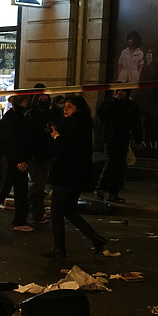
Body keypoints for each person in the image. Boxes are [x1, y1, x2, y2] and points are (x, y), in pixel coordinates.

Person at [44, 95, 107, 258]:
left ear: (78, 109)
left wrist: (57, 136)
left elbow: (64, 150)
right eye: (65, 105)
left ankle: (59, 247)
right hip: (75, 175)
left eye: (70, 106)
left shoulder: (78, 126)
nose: (65, 109)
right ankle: (96, 238)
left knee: (57, 210)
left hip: (68, 175)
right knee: (68, 210)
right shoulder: (77, 124)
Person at [0, 94, 33, 231]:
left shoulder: (17, 117)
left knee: (19, 189)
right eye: (24, 101)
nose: (26, 103)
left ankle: (19, 221)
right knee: (6, 188)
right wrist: (19, 159)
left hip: (15, 158)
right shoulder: (13, 118)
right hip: (11, 159)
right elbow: (11, 141)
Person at [95, 89, 142, 202]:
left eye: (123, 91)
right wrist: (115, 101)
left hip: (123, 139)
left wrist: (138, 138)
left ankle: (113, 193)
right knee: (112, 161)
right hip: (110, 138)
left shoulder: (132, 106)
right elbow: (101, 114)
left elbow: (135, 123)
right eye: (119, 90)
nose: (121, 93)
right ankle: (100, 187)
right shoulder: (110, 102)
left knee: (120, 166)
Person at [23, 84, 57, 222]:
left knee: (41, 186)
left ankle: (38, 213)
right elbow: (28, 136)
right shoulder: (30, 115)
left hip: (46, 154)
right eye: (40, 99)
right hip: (33, 155)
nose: (43, 102)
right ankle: (23, 205)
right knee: (38, 183)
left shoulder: (50, 115)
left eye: (45, 99)